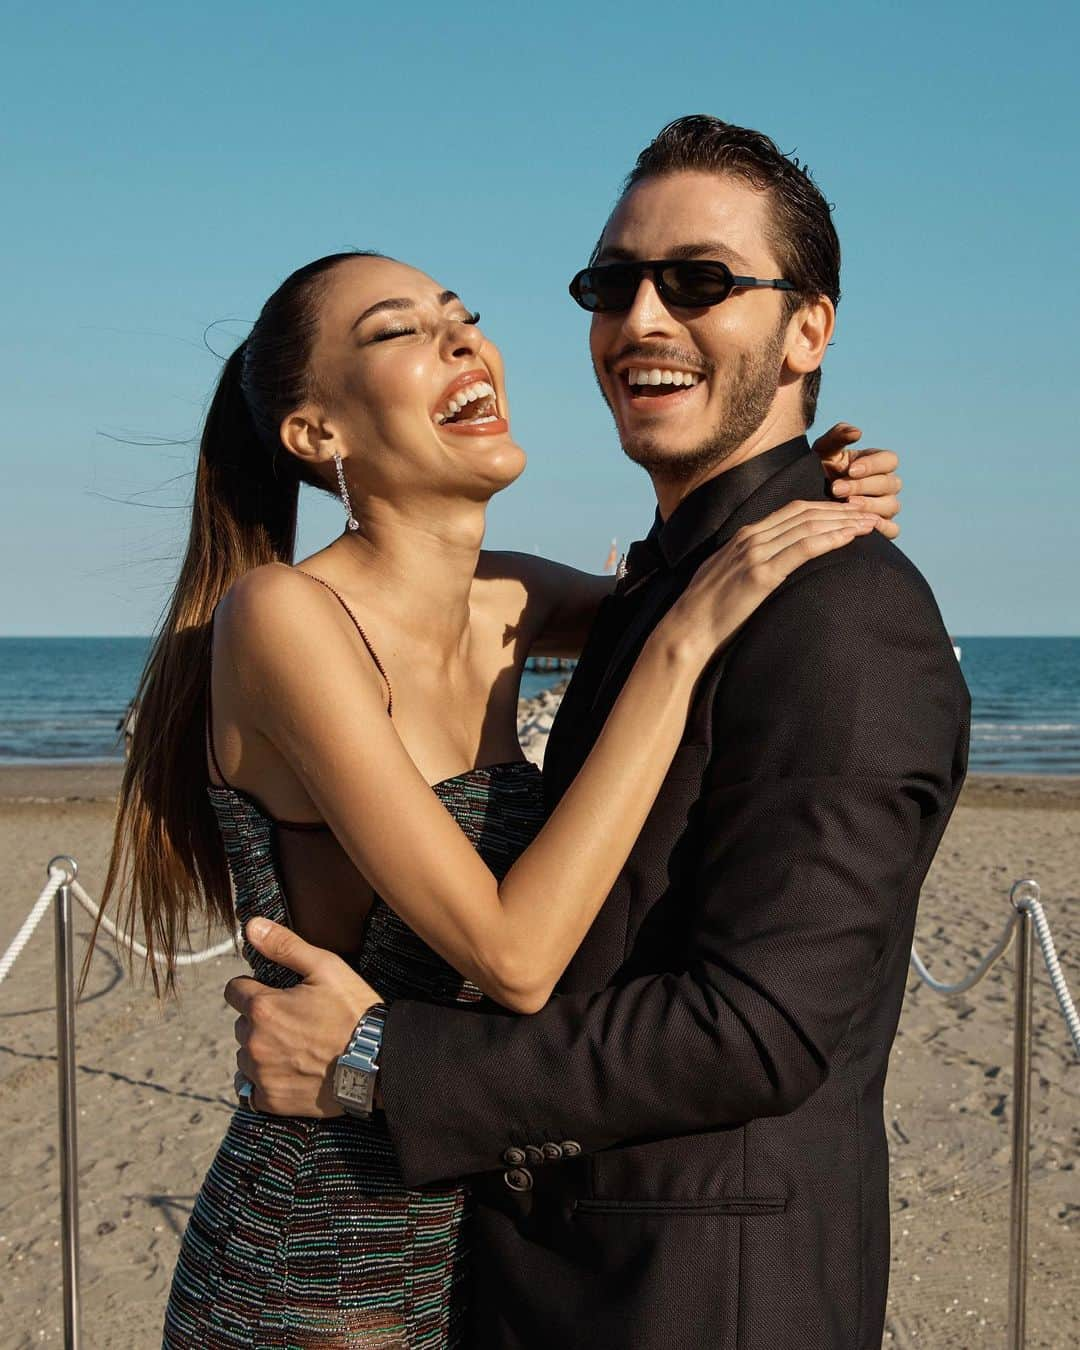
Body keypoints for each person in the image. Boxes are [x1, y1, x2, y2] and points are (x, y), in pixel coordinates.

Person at [232, 116, 969, 1350]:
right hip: (493, 1259)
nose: (640, 318)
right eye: (610, 283)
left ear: (809, 329)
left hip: (691, 1297)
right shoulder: (658, 591)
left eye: (699, 282)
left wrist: (379, 1063)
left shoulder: (841, 615)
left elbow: (764, 1029)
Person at [90, 239, 899, 1348]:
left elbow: (692, 574)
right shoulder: (282, 618)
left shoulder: (509, 597)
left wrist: (818, 480)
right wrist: (683, 647)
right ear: (316, 434)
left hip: (481, 1246)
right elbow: (512, 958)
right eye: (397, 331)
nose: (461, 338)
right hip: (326, 1267)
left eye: (459, 314)